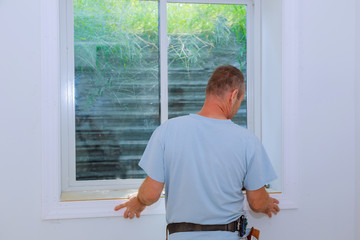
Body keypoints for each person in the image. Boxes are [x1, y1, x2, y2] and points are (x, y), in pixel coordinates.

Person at [114, 65, 280, 240]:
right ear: (233, 96)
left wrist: (138, 202)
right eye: (240, 100)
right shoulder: (247, 140)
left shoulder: (167, 131)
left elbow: (150, 194)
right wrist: (266, 202)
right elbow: (257, 202)